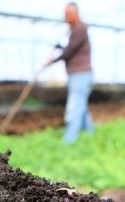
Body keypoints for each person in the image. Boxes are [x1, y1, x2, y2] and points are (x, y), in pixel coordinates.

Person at [45, 2, 94, 144]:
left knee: (74, 107)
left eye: (67, 14)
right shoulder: (75, 30)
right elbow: (71, 48)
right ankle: (91, 135)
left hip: (81, 75)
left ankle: (69, 141)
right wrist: (59, 47)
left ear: (76, 13)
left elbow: (69, 51)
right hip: (78, 75)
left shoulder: (80, 28)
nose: (65, 18)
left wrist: (52, 61)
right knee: (81, 107)